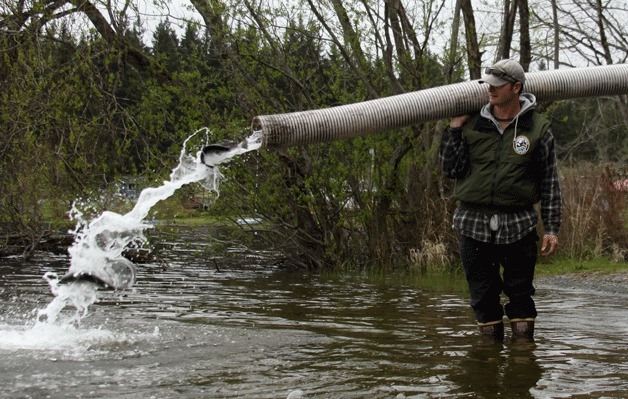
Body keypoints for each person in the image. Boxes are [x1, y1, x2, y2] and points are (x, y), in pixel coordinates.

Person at [439, 59, 562, 341]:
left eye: (498, 86)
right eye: (489, 86)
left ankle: (521, 366)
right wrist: (455, 129)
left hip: (519, 224)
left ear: (516, 87)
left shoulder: (537, 128)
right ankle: (488, 367)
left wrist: (552, 229)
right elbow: (451, 170)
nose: (491, 91)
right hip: (473, 223)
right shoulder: (471, 124)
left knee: (520, 294)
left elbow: (550, 182)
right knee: (482, 296)